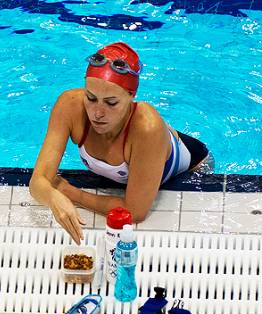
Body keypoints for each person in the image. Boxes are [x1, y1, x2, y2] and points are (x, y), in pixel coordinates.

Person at [29, 42, 211, 244]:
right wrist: (53, 198)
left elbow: (135, 212)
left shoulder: (146, 127)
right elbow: (38, 181)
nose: (97, 113)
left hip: (193, 168)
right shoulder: (70, 106)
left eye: (111, 103)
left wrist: (69, 193)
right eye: (90, 98)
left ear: (131, 96)